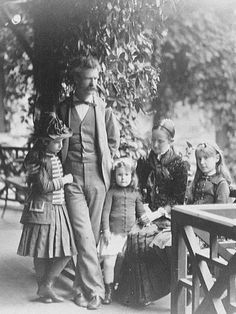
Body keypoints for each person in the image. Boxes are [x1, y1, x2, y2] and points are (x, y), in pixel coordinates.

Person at [57, 55, 120, 309]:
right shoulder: (63, 109)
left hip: (97, 179)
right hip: (71, 179)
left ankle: (79, 290)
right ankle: (96, 290)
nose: (94, 83)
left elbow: (113, 142)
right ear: (76, 80)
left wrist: (107, 162)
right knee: (83, 236)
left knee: (91, 237)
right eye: (88, 79)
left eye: (96, 79)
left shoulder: (104, 109)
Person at [116, 118, 188, 306]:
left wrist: (157, 213)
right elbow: (137, 188)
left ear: (171, 141)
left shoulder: (179, 165)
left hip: (167, 217)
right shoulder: (146, 161)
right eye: (153, 140)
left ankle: (147, 294)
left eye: (160, 141)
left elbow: (177, 200)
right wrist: (144, 207)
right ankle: (133, 293)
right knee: (133, 236)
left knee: (146, 240)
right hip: (145, 213)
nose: (155, 145)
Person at [17, 112, 77, 303]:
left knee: (67, 250)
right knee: (40, 250)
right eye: (56, 141)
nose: (60, 145)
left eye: (61, 141)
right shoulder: (41, 160)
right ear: (45, 142)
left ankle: (46, 285)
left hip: (57, 209)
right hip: (42, 210)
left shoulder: (53, 157)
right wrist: (65, 180)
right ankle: (44, 287)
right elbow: (44, 187)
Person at [99, 158, 148, 305]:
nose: (123, 178)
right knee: (109, 262)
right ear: (115, 176)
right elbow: (105, 213)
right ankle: (108, 291)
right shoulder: (111, 193)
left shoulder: (136, 194)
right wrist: (106, 230)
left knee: (124, 262)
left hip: (130, 235)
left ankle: (119, 287)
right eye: (120, 175)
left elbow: (141, 213)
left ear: (132, 176)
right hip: (113, 234)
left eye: (127, 175)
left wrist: (147, 219)